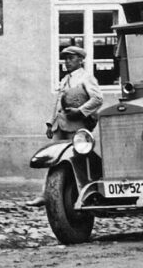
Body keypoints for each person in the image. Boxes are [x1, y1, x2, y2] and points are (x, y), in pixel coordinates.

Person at [27, 45, 104, 206]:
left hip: (76, 126)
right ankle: (45, 194)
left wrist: (80, 111)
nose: (67, 62)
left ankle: (85, 193)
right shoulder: (65, 79)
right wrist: (50, 123)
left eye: (71, 58)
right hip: (60, 126)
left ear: (80, 60)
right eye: (65, 59)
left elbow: (97, 99)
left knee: (78, 159)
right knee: (53, 159)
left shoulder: (86, 78)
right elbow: (58, 103)